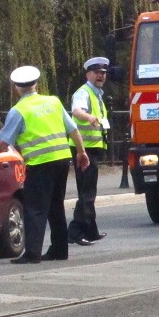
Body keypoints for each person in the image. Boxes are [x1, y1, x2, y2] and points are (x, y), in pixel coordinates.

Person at [0, 66, 89, 264]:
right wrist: (81, 152)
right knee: (56, 205)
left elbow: (3, 143)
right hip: (62, 160)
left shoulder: (18, 110)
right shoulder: (53, 101)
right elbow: (73, 130)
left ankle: (33, 253)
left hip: (40, 164)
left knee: (34, 209)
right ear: (36, 84)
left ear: (16, 88)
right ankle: (60, 250)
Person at [68, 56, 111, 246]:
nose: (100, 76)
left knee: (89, 190)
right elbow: (76, 111)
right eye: (97, 73)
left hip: (91, 149)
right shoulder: (83, 92)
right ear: (88, 74)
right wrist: (90, 117)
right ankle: (75, 231)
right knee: (87, 192)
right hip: (82, 150)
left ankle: (91, 230)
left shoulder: (97, 94)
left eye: (103, 73)